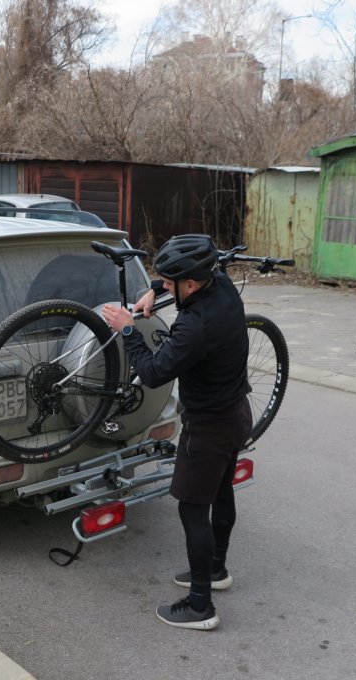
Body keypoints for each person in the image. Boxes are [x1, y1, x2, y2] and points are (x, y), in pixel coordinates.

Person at [101, 233, 252, 631]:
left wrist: (129, 330)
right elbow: (182, 283)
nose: (165, 286)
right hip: (236, 412)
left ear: (191, 284)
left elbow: (153, 372)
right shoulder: (222, 287)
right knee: (221, 490)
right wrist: (154, 289)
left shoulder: (195, 327)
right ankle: (216, 570)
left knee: (191, 507)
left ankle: (201, 605)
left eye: (170, 282)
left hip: (209, 427)